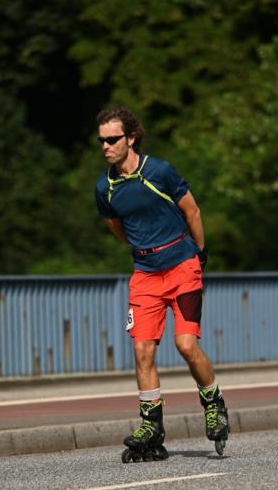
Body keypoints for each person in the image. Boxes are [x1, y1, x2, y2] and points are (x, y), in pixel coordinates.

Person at [94, 106, 229, 459]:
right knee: (142, 351)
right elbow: (118, 230)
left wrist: (200, 253)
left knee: (185, 345)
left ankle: (214, 402)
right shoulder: (104, 188)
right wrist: (145, 249)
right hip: (145, 274)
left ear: (131, 138)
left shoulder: (159, 171)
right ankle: (151, 424)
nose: (105, 146)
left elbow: (192, 211)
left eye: (112, 139)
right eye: (101, 140)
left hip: (183, 265)